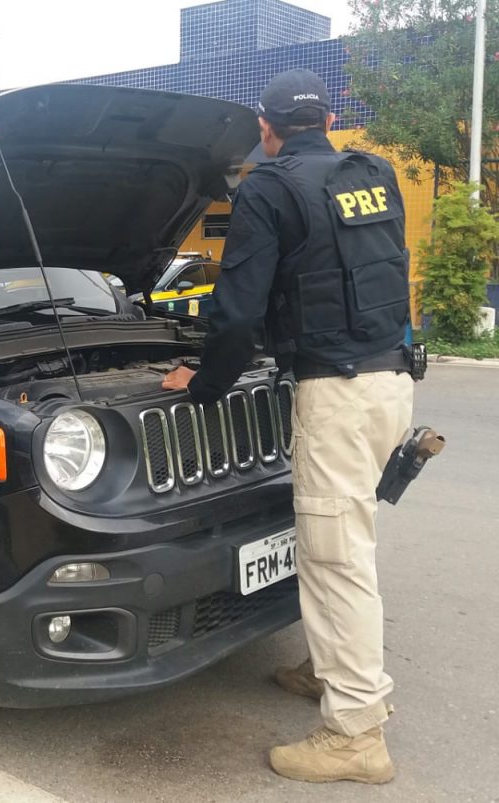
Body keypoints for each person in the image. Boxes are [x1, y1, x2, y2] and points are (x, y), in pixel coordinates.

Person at [162, 69, 414, 784]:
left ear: (266, 128)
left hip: (337, 391)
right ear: (328, 117)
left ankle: (356, 732)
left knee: (336, 558)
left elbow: (237, 313)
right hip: (392, 380)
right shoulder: (373, 174)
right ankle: (332, 669)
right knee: (349, 539)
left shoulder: (269, 187)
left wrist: (202, 384)